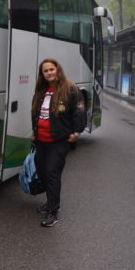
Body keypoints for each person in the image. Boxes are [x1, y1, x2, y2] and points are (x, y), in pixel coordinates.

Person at [31, 58, 87, 227]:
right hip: (41, 140)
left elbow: (79, 111)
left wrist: (77, 132)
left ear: (57, 70)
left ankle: (53, 212)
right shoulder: (41, 90)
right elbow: (35, 112)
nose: (49, 73)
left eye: (51, 69)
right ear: (42, 74)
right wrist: (34, 130)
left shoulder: (70, 89)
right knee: (43, 171)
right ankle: (50, 202)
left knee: (52, 173)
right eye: (45, 71)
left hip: (58, 140)